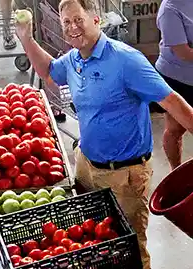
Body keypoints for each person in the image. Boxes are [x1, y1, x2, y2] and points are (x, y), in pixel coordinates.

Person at [15, 0, 193, 268]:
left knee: (130, 247)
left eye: (78, 20)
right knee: (96, 242)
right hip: (87, 165)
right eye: (66, 22)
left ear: (95, 19)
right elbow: (50, 73)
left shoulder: (126, 60)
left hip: (125, 176)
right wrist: (26, 38)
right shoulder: (75, 58)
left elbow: (172, 102)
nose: (72, 27)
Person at [155, 0, 193, 170]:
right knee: (175, 129)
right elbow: (183, 52)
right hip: (177, 79)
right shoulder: (169, 10)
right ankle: (175, 172)